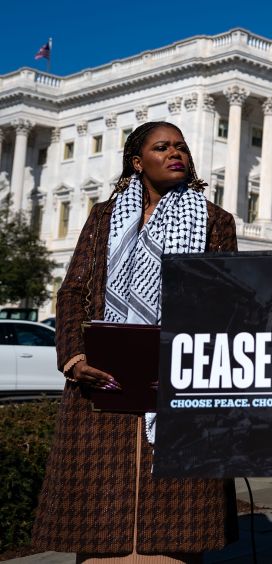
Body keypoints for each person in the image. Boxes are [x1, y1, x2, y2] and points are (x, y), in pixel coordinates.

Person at [33, 121, 238, 561]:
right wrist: (73, 356)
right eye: (161, 147)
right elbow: (73, 291)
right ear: (136, 161)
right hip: (102, 382)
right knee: (100, 523)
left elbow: (225, 301)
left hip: (178, 386)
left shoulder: (216, 222)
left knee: (174, 535)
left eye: (181, 146)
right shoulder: (104, 218)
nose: (175, 153)